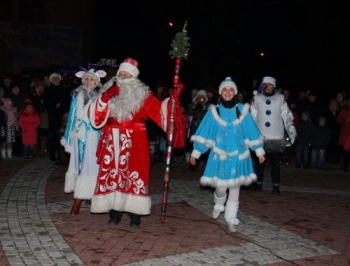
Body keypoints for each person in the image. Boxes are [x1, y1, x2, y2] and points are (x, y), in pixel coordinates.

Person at [88, 58, 185, 227]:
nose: (123, 76)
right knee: (113, 175)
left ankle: (135, 215)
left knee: (135, 174)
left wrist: (172, 100)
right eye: (121, 74)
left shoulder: (143, 95)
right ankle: (114, 213)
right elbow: (95, 118)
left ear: (134, 78)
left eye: (127, 74)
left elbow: (160, 112)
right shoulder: (109, 91)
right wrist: (104, 98)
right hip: (111, 140)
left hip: (135, 141)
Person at [189, 77, 265, 232]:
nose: (228, 92)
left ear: (235, 92)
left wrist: (258, 151)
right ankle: (218, 202)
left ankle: (231, 217)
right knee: (221, 187)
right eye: (225, 89)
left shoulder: (242, 110)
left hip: (239, 155)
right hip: (219, 156)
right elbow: (205, 132)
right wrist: (196, 153)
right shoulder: (214, 111)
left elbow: (251, 131)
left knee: (235, 187)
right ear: (220, 92)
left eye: (231, 90)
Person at [61, 69, 107, 215]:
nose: (88, 82)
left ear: (96, 82)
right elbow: (73, 116)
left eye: (91, 80)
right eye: (86, 79)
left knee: (90, 165)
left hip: (92, 135)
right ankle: (83, 196)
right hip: (78, 133)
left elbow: (102, 118)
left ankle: (83, 197)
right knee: (78, 164)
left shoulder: (100, 97)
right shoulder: (77, 95)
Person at [250, 76, 296, 195]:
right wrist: (250, 134)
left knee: (275, 164)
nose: (267, 87)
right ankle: (258, 184)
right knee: (259, 163)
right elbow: (252, 118)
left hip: (276, 136)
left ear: (274, 87)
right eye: (265, 84)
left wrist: (291, 131)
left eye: (270, 85)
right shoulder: (257, 98)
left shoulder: (280, 98)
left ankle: (276, 186)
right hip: (261, 136)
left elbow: (287, 116)